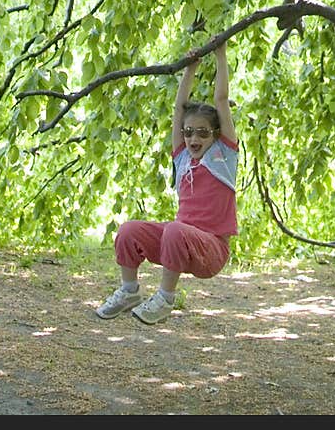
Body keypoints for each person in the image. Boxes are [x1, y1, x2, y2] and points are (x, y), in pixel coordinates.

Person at [95, 39, 238, 325]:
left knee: (175, 229)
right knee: (128, 231)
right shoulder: (183, 158)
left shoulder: (224, 157)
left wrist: (220, 54)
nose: (194, 139)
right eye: (189, 133)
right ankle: (129, 291)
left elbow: (221, 99)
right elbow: (178, 110)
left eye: (202, 133)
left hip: (210, 249)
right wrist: (190, 69)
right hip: (179, 242)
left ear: (216, 134)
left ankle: (165, 298)